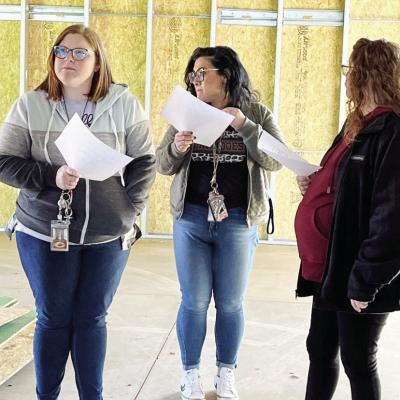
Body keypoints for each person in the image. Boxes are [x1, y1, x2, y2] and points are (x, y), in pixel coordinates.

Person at [0, 24, 155, 399]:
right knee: (53, 319)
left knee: (92, 320)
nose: (68, 59)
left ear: (98, 62)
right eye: (61, 51)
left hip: (107, 235)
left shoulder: (123, 104)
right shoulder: (30, 104)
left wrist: (128, 211)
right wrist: (51, 175)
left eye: (80, 52)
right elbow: (4, 161)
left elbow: (145, 162)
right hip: (42, 232)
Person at [156, 46, 283, 400]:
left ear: (225, 75)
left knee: (230, 303)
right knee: (193, 302)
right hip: (192, 219)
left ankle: (226, 374)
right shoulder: (186, 113)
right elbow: (162, 165)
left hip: (238, 221)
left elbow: (276, 160)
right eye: (192, 75)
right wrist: (178, 148)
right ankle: (190, 374)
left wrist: (243, 125)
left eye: (202, 73)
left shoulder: (255, 112)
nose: (195, 81)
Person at [294, 37, 400, 400]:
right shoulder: (358, 122)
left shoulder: (393, 129)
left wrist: (367, 280)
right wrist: (314, 181)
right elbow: (344, 183)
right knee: (319, 348)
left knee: (358, 359)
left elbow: (391, 215)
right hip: (332, 267)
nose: (347, 77)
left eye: (351, 69)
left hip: (358, 271)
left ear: (368, 73)